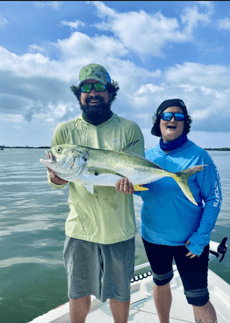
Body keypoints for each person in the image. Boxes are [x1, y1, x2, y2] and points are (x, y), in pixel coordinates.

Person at [47, 63, 145, 323]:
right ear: (79, 94)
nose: (93, 93)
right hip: (80, 227)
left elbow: (137, 172)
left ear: (110, 93)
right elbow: (59, 178)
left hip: (119, 228)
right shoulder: (64, 132)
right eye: (86, 87)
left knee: (120, 293)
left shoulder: (129, 128)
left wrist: (133, 184)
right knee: (78, 292)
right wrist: (56, 178)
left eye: (100, 87)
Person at [134, 99, 222, 323]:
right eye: (167, 115)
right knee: (160, 282)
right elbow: (145, 191)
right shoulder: (145, 157)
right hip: (152, 237)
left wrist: (201, 238)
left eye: (179, 117)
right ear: (159, 122)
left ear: (185, 124)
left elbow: (214, 199)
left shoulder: (199, 156)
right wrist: (128, 188)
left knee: (198, 298)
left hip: (190, 243)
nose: (173, 119)